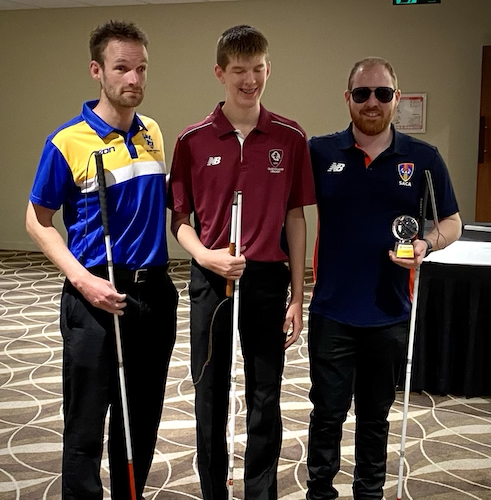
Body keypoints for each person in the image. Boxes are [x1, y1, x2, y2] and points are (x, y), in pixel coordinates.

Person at [26, 20, 177, 500]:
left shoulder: (152, 130)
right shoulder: (67, 141)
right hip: (94, 296)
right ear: (97, 71)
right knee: (87, 423)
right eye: (122, 68)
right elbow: (37, 219)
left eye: (141, 68)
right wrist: (82, 280)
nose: (134, 79)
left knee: (141, 419)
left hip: (153, 296)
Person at [169, 25, 316, 500]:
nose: (249, 80)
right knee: (210, 393)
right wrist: (206, 256)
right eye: (239, 71)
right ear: (220, 73)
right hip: (210, 279)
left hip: (268, 279)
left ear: (268, 69)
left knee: (264, 395)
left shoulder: (291, 137)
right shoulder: (192, 140)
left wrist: (298, 296)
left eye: (258, 69)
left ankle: (260, 492)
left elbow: (295, 220)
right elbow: (180, 221)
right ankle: (214, 490)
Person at [306, 57, 462, 500]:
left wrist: (427, 246)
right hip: (332, 310)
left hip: (391, 311)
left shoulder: (423, 158)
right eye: (361, 94)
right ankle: (320, 492)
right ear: (347, 98)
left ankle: (368, 494)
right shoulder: (321, 152)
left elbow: (450, 221)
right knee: (327, 414)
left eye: (381, 93)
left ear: (396, 97)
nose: (371, 102)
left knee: (375, 418)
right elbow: (289, 213)